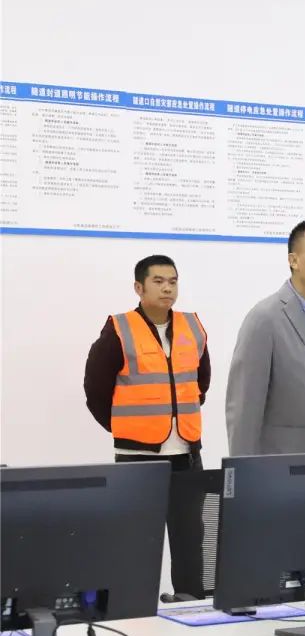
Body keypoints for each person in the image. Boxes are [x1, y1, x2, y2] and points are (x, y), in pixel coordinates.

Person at [83, 254, 210, 597]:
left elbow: (201, 381)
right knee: (136, 538)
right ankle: (134, 605)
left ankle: (189, 601)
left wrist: (180, 416)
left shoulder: (192, 326)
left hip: (186, 452)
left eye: (173, 281)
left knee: (190, 536)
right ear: (139, 287)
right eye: (158, 281)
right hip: (137, 458)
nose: (167, 288)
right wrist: (127, 430)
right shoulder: (119, 328)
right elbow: (95, 389)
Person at [226, 217, 305, 455]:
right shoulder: (265, 318)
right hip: (284, 458)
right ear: (293, 260)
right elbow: (245, 406)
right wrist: (242, 468)